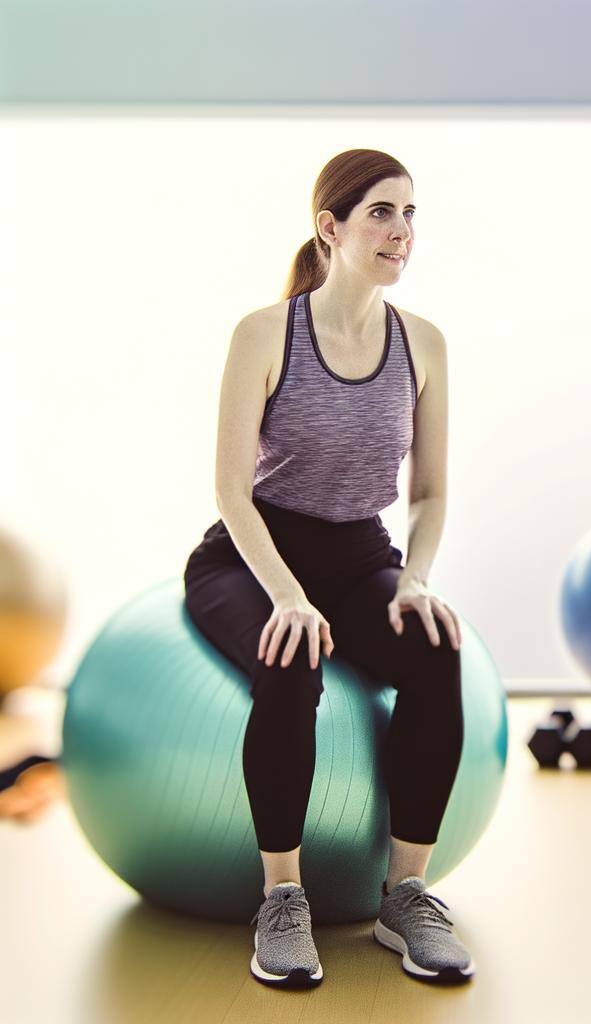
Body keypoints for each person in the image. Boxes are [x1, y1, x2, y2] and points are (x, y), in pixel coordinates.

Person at [182, 149, 474, 986]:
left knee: (438, 652)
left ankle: (406, 895)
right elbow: (233, 492)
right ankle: (282, 901)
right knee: (293, 651)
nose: (401, 231)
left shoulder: (424, 344)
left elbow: (431, 491)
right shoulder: (267, 333)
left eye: (411, 213)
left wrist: (415, 578)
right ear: (330, 227)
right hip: (251, 558)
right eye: (382, 211)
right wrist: (286, 596)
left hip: (359, 559)